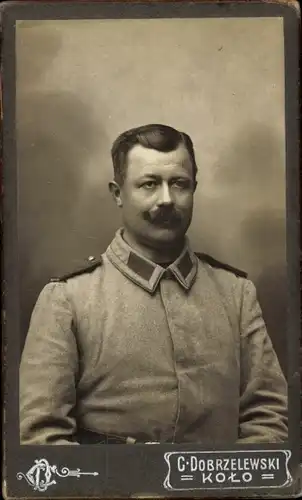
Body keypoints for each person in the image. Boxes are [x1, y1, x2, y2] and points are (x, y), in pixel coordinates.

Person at [20, 123, 288, 445]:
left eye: (179, 184)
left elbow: (268, 420)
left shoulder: (236, 293)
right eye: (149, 184)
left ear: (194, 189)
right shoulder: (67, 299)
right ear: (118, 194)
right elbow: (42, 440)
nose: (166, 200)